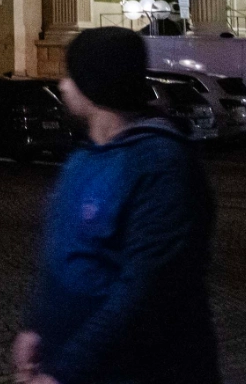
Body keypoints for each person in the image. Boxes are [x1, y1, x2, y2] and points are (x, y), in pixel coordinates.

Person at [12, 27, 219, 384]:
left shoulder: (160, 164)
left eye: (70, 75)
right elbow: (56, 258)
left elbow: (147, 289)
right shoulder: (82, 160)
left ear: (94, 82)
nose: (62, 85)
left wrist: (66, 371)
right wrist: (35, 326)